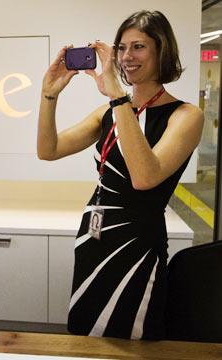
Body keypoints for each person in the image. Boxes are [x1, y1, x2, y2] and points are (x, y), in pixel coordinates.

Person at [37, 10, 203, 340]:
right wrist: (49, 93)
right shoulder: (109, 111)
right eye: (122, 48)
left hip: (137, 245)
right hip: (94, 238)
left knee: (132, 337)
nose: (127, 57)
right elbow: (49, 149)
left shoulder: (185, 115)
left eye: (138, 47)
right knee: (86, 335)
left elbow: (144, 177)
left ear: (162, 50)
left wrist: (117, 96)